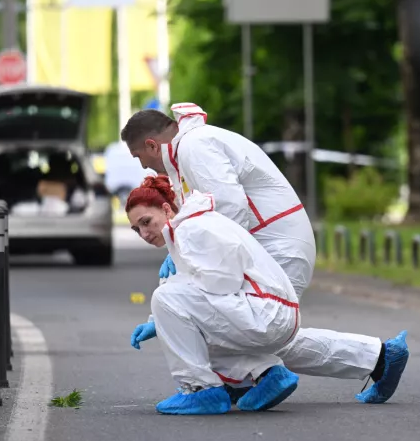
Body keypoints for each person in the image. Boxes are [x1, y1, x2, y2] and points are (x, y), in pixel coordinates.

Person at [125, 176, 410, 414]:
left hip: (265, 309)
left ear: (166, 208)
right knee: (182, 319)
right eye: (137, 229)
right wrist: (164, 316)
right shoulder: (189, 225)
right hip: (269, 310)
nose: (144, 233)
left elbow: (222, 280)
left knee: (171, 306)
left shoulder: (192, 224)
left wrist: (174, 297)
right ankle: (269, 374)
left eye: (146, 222)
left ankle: (204, 389)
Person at [120, 104, 314, 298]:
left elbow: (230, 208)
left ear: (152, 146)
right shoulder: (190, 147)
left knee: (225, 317)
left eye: (138, 157)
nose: (144, 165)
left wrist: (204, 263)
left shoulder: (194, 146)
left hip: (277, 249)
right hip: (272, 247)